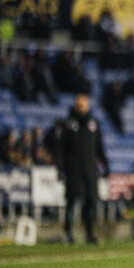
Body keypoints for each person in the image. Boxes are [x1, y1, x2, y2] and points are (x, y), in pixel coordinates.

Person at [55, 93, 108, 244]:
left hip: (90, 169)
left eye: (83, 105)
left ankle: (89, 233)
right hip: (73, 170)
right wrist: (60, 169)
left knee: (91, 201)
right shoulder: (67, 124)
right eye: (79, 105)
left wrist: (106, 164)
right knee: (72, 201)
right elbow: (60, 150)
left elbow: (100, 147)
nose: (81, 108)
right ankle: (68, 232)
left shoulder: (94, 124)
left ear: (88, 106)